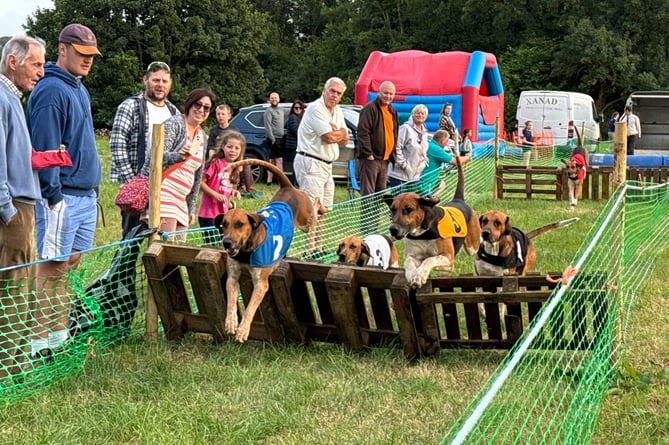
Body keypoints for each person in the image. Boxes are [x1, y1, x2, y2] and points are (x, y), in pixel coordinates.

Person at [27, 23, 102, 360]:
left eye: (91, 55)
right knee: (52, 268)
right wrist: (53, 197)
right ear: (63, 49)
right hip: (62, 196)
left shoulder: (78, 87)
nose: (88, 60)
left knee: (70, 265)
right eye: (82, 53)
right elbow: (43, 150)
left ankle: (58, 337)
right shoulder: (51, 90)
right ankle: (38, 343)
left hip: (84, 196)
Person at [0, 35, 45, 376]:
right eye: (36, 64)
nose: (41, 72)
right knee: (13, 289)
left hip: (23, 205)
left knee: (25, 286)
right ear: (13, 62)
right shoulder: (1, 98)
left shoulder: (14, 99)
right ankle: (6, 373)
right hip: (11, 209)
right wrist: (7, 209)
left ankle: (17, 368)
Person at [110, 60, 180, 237]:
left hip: (163, 187)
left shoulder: (174, 112)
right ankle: (123, 266)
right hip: (137, 184)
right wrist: (131, 184)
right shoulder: (130, 106)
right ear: (145, 80)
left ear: (170, 84)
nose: (160, 85)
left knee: (160, 240)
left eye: (164, 81)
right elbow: (117, 145)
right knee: (131, 240)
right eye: (156, 80)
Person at [141, 88, 216, 235]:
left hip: (182, 198)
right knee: (166, 246)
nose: (201, 110)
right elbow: (154, 157)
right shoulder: (175, 124)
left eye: (206, 108)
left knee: (179, 246)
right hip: (164, 190)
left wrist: (190, 207)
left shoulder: (202, 135)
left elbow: (198, 175)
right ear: (189, 104)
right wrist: (178, 157)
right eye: (197, 105)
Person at [293, 77, 349, 259]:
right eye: (332, 91)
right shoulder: (316, 108)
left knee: (325, 208)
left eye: (338, 93)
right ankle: (309, 250)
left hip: (327, 164)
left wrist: (338, 132)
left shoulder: (338, 111)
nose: (334, 95)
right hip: (311, 161)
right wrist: (338, 133)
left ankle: (318, 247)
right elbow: (329, 137)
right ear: (324, 90)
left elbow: (346, 138)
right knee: (313, 207)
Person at [197, 131, 244, 240]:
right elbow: (201, 183)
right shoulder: (215, 163)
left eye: (237, 148)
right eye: (230, 147)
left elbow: (224, 185)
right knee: (212, 246)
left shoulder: (234, 167)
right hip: (208, 214)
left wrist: (233, 192)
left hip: (224, 215)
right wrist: (216, 195)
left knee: (223, 244)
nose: (233, 150)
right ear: (223, 147)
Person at [356, 81, 399, 195]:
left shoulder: (392, 111)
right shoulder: (370, 108)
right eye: (385, 93)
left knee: (380, 194)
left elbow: (393, 133)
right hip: (371, 159)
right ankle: (366, 213)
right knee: (368, 194)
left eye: (391, 94)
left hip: (385, 160)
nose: (388, 96)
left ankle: (377, 213)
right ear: (379, 92)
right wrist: (368, 154)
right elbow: (362, 132)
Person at [387, 104, 429, 188]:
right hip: (400, 175)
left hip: (415, 176)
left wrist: (424, 162)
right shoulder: (405, 128)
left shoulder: (424, 132)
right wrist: (404, 165)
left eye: (423, 113)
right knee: (399, 200)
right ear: (412, 114)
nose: (420, 115)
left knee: (411, 200)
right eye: (417, 113)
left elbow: (422, 150)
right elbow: (396, 147)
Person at [420, 129, 471, 195]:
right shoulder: (437, 149)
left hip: (419, 178)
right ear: (442, 141)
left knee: (442, 184)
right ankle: (430, 199)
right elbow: (455, 162)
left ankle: (432, 197)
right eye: (447, 141)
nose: (447, 143)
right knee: (424, 202)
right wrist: (468, 157)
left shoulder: (429, 144)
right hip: (425, 183)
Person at [264, 92, 285, 185]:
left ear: (279, 99)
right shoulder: (268, 111)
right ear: (269, 100)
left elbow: (292, 109)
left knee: (273, 160)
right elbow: (267, 126)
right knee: (277, 160)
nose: (274, 99)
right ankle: (281, 180)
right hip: (273, 139)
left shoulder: (281, 110)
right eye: (272, 98)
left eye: (275, 98)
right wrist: (272, 139)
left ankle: (270, 181)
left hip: (281, 138)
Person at [283, 100, 306, 186]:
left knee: (297, 166)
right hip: (294, 146)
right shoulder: (293, 117)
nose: (298, 109)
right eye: (296, 108)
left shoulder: (299, 118)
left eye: (300, 108)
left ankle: (294, 183)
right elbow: (295, 131)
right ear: (293, 109)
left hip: (297, 145)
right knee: (296, 166)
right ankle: (293, 184)